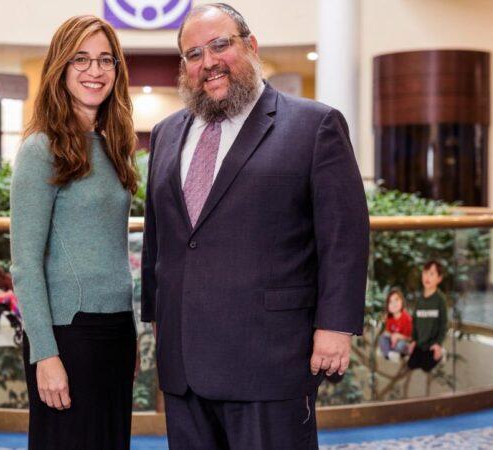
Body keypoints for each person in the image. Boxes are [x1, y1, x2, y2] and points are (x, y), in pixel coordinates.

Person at [140, 4, 369, 449]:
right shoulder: (166, 133)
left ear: (250, 44)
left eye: (220, 45)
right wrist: (156, 321)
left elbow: (344, 238)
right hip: (184, 366)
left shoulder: (314, 125)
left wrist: (336, 328)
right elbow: (160, 240)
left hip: (270, 362)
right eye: (193, 54)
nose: (208, 62)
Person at [9, 15, 139, 450]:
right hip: (69, 334)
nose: (94, 71)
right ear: (60, 69)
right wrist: (44, 354)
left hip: (116, 331)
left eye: (106, 60)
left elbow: (113, 252)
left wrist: (132, 331)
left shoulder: (115, 147)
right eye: (80, 59)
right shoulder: (40, 150)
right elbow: (25, 265)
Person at [407, 260, 449, 372]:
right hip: (420, 344)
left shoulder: (440, 300)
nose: (427, 277)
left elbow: (443, 324)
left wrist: (438, 344)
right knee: (411, 365)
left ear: (439, 278)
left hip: (432, 344)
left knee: (427, 367)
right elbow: (415, 322)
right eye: (425, 273)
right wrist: (413, 340)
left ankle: (441, 353)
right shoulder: (419, 299)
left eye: (431, 274)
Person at [379, 288, 412, 362]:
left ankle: (397, 354)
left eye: (396, 300)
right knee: (382, 338)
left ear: (402, 301)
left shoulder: (407, 318)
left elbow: (410, 338)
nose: (394, 304)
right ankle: (389, 353)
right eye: (390, 302)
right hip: (393, 341)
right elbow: (388, 332)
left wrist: (397, 336)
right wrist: (389, 335)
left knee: (400, 345)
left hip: (403, 341)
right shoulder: (390, 318)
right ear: (388, 306)